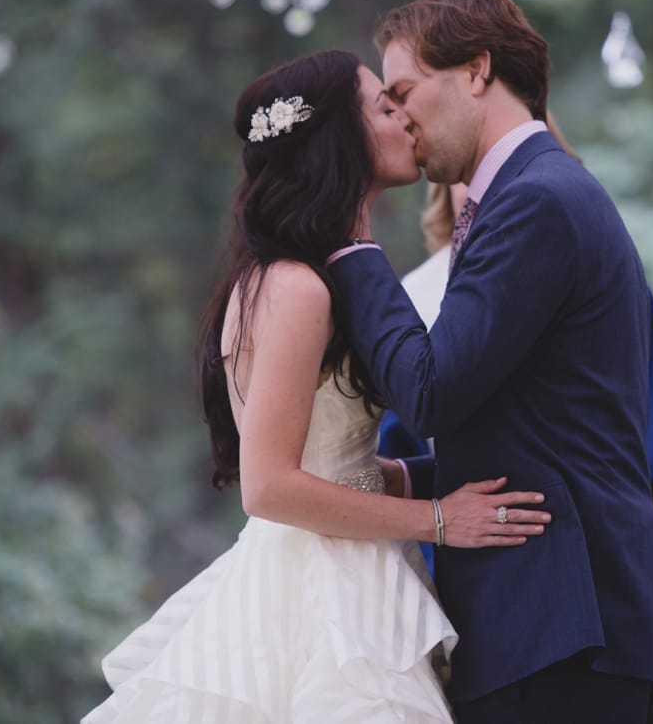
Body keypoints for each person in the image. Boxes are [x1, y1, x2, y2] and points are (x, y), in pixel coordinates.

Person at [82, 49, 552, 724]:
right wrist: (441, 521)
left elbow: (331, 458)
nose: (405, 117)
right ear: (341, 138)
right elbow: (269, 486)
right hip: (319, 591)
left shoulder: (309, 278)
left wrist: (404, 478)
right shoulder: (296, 288)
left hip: (345, 564)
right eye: (384, 106)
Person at [327, 0, 653, 723]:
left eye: (405, 91)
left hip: (564, 631)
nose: (398, 118)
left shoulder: (535, 201)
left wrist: (354, 245)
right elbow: (541, 430)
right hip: (559, 627)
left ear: (478, 70)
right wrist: (395, 477)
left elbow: (428, 392)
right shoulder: (533, 195)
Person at [380, 174, 653, 724]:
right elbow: (395, 454)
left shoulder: (604, 280)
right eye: (464, 179)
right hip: (463, 601)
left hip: (600, 603)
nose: (479, 192)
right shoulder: (411, 303)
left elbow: (651, 453)